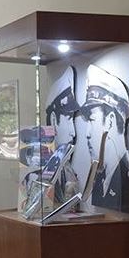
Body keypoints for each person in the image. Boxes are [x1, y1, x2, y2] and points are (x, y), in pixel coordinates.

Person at [81, 64, 129, 213]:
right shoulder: (100, 178)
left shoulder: (126, 177)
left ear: (110, 121)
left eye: (91, 120)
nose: (87, 133)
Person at [44, 66, 79, 203]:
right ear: (53, 120)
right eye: (69, 119)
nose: (73, 132)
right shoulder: (44, 167)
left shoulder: (66, 169)